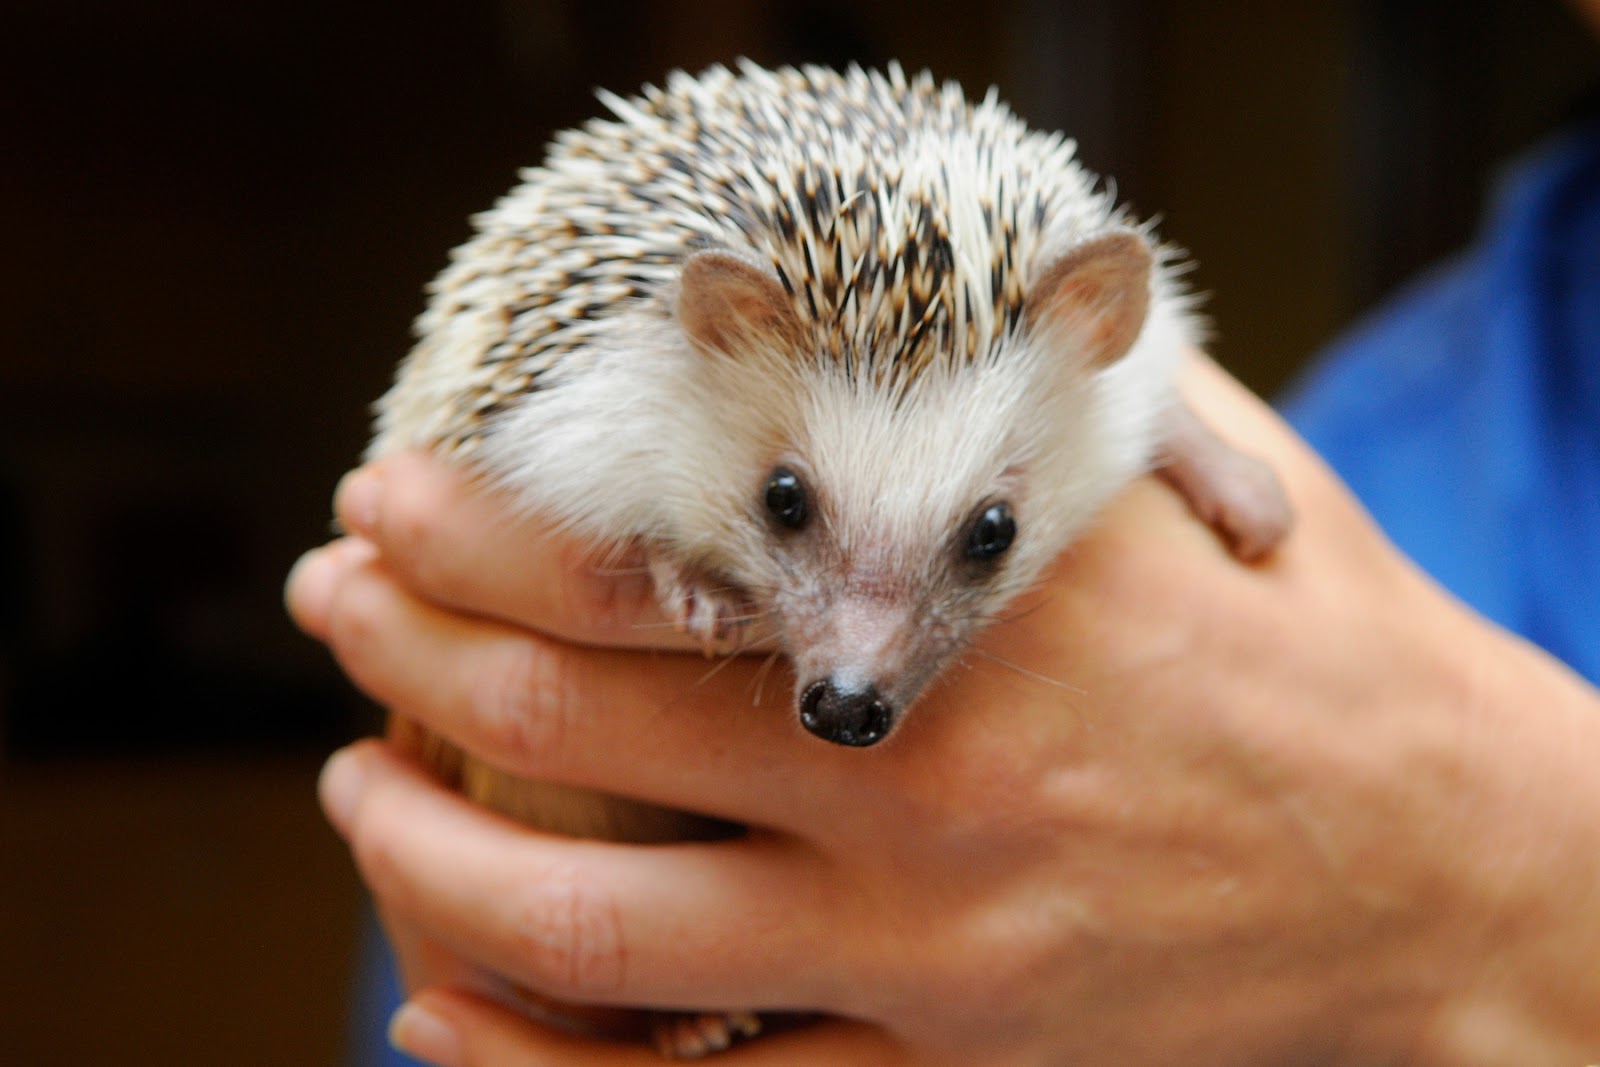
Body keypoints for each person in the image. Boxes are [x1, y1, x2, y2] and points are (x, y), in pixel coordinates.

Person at [287, 90, 1600, 1067]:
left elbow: (1140, 397)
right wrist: (678, 559)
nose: (857, 666)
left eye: (979, 541)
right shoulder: (1411, 413)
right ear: (719, 326)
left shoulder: (1355, 433)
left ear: (1097, 330)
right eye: (788, 508)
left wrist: (1498, 892)